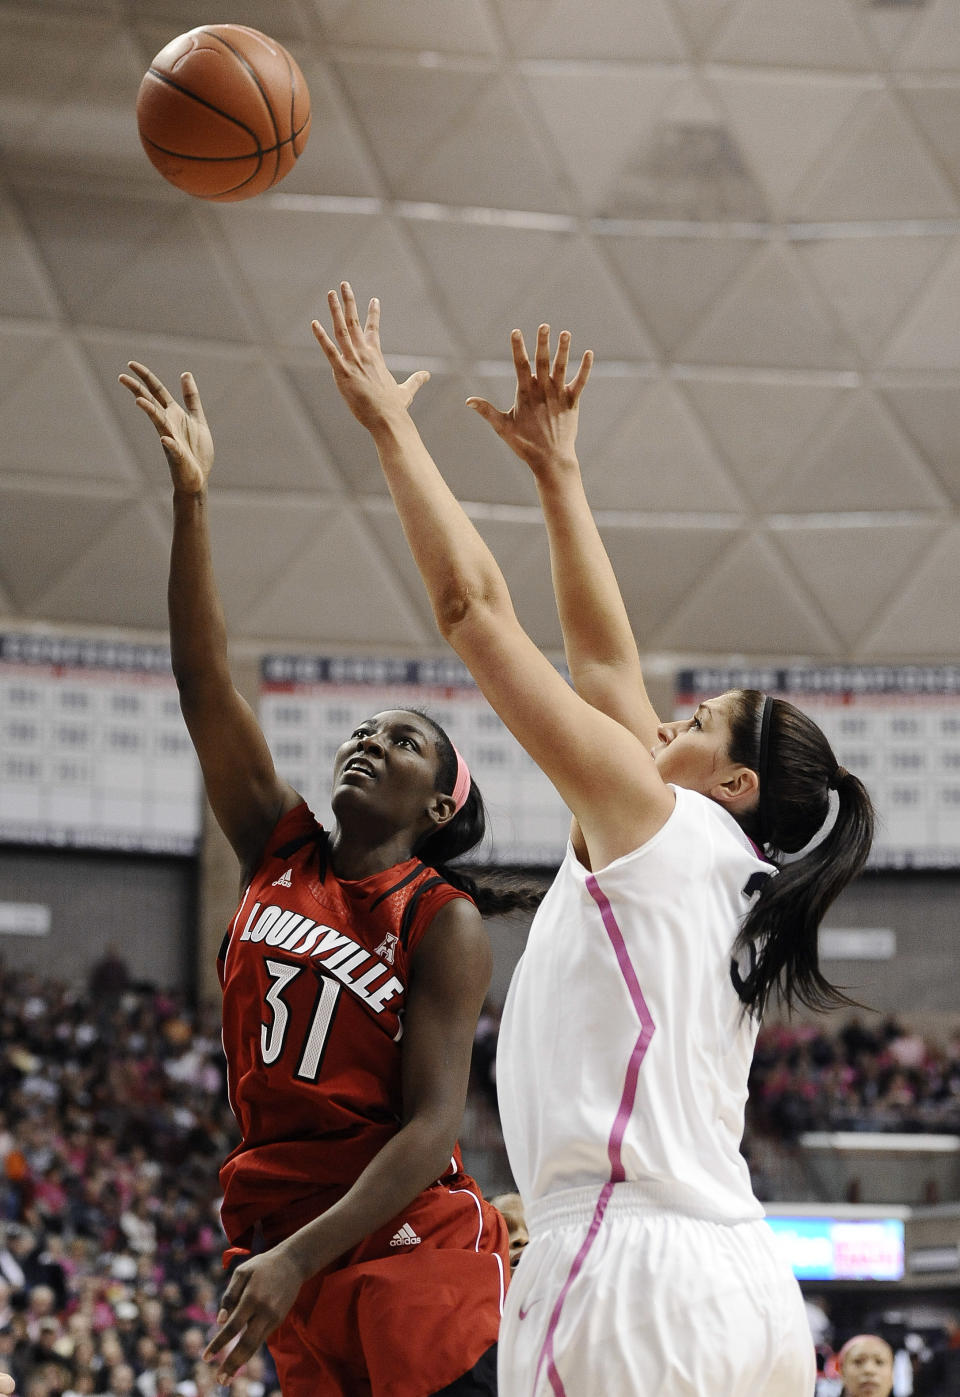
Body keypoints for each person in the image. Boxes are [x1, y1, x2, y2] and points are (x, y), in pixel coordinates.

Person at [311, 284, 875, 1396]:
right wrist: (558, 473)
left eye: (701, 722)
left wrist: (391, 426)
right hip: (742, 1284)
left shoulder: (658, 821)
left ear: (735, 781)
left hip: (627, 1279)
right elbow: (611, 671)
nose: (671, 717)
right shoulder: (732, 870)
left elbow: (475, 612)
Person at [118, 362, 527, 1396]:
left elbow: (432, 1125)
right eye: (361, 729)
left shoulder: (442, 918)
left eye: (402, 741)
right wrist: (194, 496)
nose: (367, 742)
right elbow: (202, 680)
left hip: (409, 1247)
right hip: (285, 1232)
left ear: (440, 807)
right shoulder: (277, 844)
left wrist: (303, 1254)